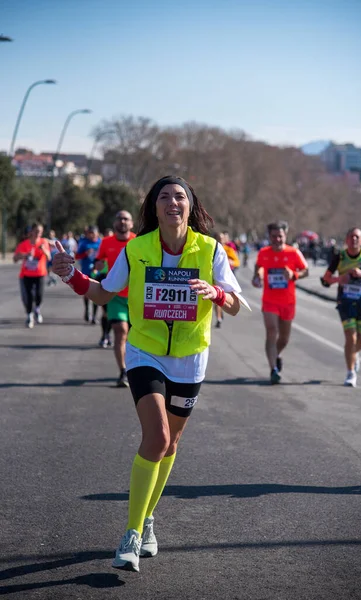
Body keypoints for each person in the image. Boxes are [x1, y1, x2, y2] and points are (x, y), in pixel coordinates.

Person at [52, 175, 245, 573]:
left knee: (170, 445)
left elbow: (238, 304)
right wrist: (71, 275)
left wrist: (217, 295)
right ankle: (131, 533)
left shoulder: (210, 250)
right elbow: (104, 292)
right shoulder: (135, 249)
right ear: (153, 208)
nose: (172, 202)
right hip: (145, 352)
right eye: (164, 197)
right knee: (155, 436)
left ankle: (149, 517)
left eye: (180, 196)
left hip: (190, 357)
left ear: (191, 206)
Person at [321, 227, 361, 387]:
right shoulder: (340, 257)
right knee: (351, 337)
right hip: (345, 302)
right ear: (346, 240)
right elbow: (325, 280)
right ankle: (351, 373)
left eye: (357, 237)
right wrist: (339, 279)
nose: (354, 240)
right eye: (351, 237)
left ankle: (354, 355)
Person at [252, 220, 308, 384]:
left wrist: (293, 274)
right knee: (271, 331)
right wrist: (258, 276)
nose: (277, 239)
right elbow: (259, 267)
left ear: (285, 235)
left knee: (284, 338)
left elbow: (306, 270)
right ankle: (273, 370)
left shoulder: (293, 253)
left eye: (280, 236)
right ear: (269, 237)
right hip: (269, 300)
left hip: (288, 302)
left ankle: (276, 355)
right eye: (274, 236)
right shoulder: (264, 252)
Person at [94, 211, 136, 386]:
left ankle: (136, 369)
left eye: (126, 219)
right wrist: (97, 267)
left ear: (131, 223)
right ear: (114, 222)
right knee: (120, 331)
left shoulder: (138, 241)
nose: (123, 221)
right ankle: (123, 371)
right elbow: (98, 261)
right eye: (119, 218)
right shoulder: (106, 242)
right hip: (115, 295)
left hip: (137, 296)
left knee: (135, 337)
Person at [13, 223, 51, 328]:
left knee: (39, 295)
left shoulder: (43, 242)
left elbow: (49, 257)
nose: (38, 233)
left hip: (40, 274)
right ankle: (29, 316)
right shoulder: (24, 244)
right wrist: (25, 255)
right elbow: (15, 259)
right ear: (31, 232)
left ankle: (37, 309)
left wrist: (44, 250)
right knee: (29, 296)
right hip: (26, 274)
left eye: (40, 231)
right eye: (36, 231)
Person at [76, 225, 102, 324]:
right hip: (86, 271)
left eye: (93, 234)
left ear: (97, 233)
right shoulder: (84, 243)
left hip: (98, 272)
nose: (91, 236)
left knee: (96, 294)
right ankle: (87, 309)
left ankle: (94, 316)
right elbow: (77, 256)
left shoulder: (101, 242)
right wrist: (85, 254)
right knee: (87, 293)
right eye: (90, 234)